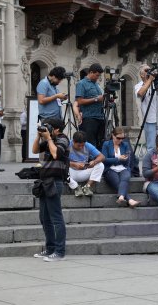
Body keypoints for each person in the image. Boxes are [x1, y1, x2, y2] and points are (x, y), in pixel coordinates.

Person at [31, 118, 69, 262]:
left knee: (56, 218)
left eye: (48, 127)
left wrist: (49, 139)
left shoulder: (63, 139)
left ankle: (60, 252)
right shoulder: (49, 140)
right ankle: (50, 248)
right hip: (45, 181)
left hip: (55, 181)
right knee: (44, 217)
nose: (46, 129)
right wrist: (39, 136)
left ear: (57, 129)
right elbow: (34, 150)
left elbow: (56, 154)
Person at [135, 64, 158, 151]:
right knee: (151, 146)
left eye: (149, 70)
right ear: (141, 75)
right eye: (146, 71)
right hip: (150, 120)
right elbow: (140, 93)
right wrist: (150, 80)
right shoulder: (138, 85)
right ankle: (153, 163)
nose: (149, 72)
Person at [101, 127, 139, 207]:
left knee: (125, 177)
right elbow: (104, 160)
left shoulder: (125, 145)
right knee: (117, 181)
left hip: (123, 167)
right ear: (113, 136)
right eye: (118, 138)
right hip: (110, 169)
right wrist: (118, 159)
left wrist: (124, 159)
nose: (120, 140)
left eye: (123, 138)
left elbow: (127, 160)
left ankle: (121, 196)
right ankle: (129, 199)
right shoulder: (106, 144)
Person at [76, 63, 105, 148]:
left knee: (100, 141)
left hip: (99, 117)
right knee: (90, 143)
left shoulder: (96, 84)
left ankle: (98, 160)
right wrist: (96, 99)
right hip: (89, 118)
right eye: (97, 75)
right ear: (91, 72)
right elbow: (79, 101)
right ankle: (90, 160)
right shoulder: (81, 83)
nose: (98, 78)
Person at [68, 131, 105, 197]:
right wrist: (74, 164)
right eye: (79, 145)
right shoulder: (67, 145)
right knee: (60, 166)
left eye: (83, 145)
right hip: (70, 172)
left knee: (100, 165)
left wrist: (94, 162)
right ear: (73, 141)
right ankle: (76, 187)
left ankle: (87, 187)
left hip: (84, 171)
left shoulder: (87, 145)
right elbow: (60, 160)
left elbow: (102, 157)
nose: (81, 147)